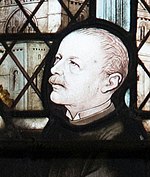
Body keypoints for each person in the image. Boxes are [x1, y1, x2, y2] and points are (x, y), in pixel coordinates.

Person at [42, 26, 147, 177]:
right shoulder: (55, 129)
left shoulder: (120, 142)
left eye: (73, 63)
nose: (54, 69)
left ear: (110, 83)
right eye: (58, 59)